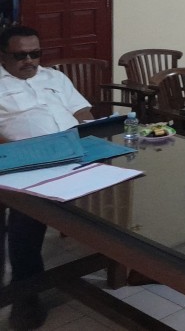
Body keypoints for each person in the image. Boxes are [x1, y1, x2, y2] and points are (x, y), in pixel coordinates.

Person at [0, 26, 94, 329]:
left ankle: (137, 262)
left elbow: (82, 111)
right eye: (21, 56)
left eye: (35, 54)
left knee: (129, 185)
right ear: (2, 56)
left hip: (76, 153)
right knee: (28, 214)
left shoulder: (54, 77)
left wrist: (91, 133)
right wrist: (20, 153)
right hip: (26, 162)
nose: (30, 61)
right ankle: (26, 292)